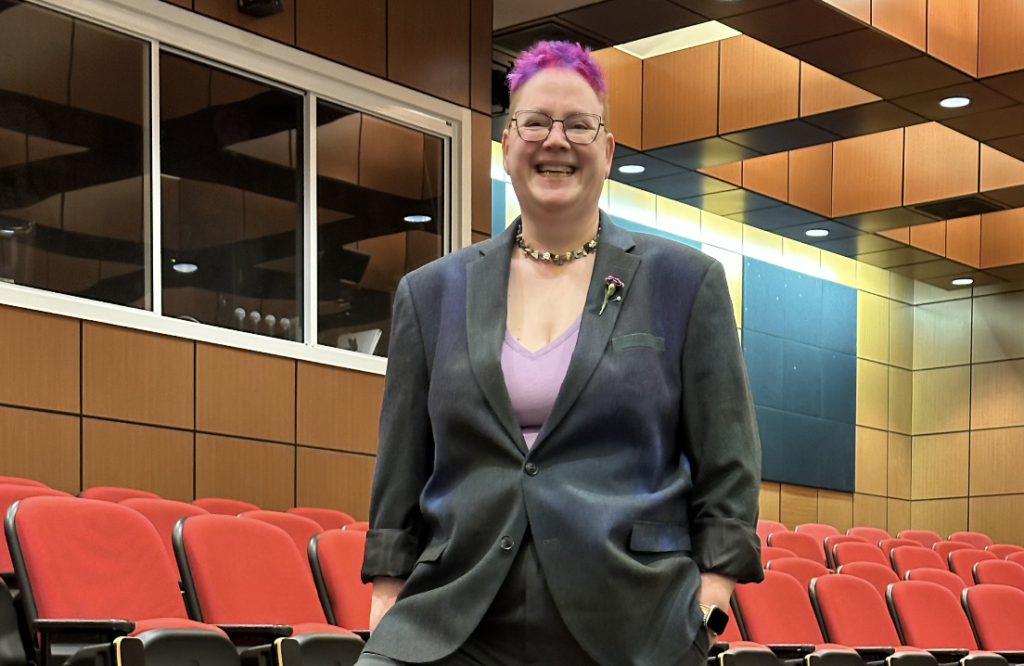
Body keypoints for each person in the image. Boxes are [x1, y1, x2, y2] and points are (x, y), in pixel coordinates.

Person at [356, 41, 763, 666]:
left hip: (634, 618)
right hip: (456, 614)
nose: (556, 140)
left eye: (578, 124)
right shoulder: (430, 292)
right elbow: (402, 461)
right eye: (535, 122)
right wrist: (388, 590)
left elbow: (727, 460)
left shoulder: (685, 282)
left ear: (608, 151)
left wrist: (712, 595)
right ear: (506, 144)